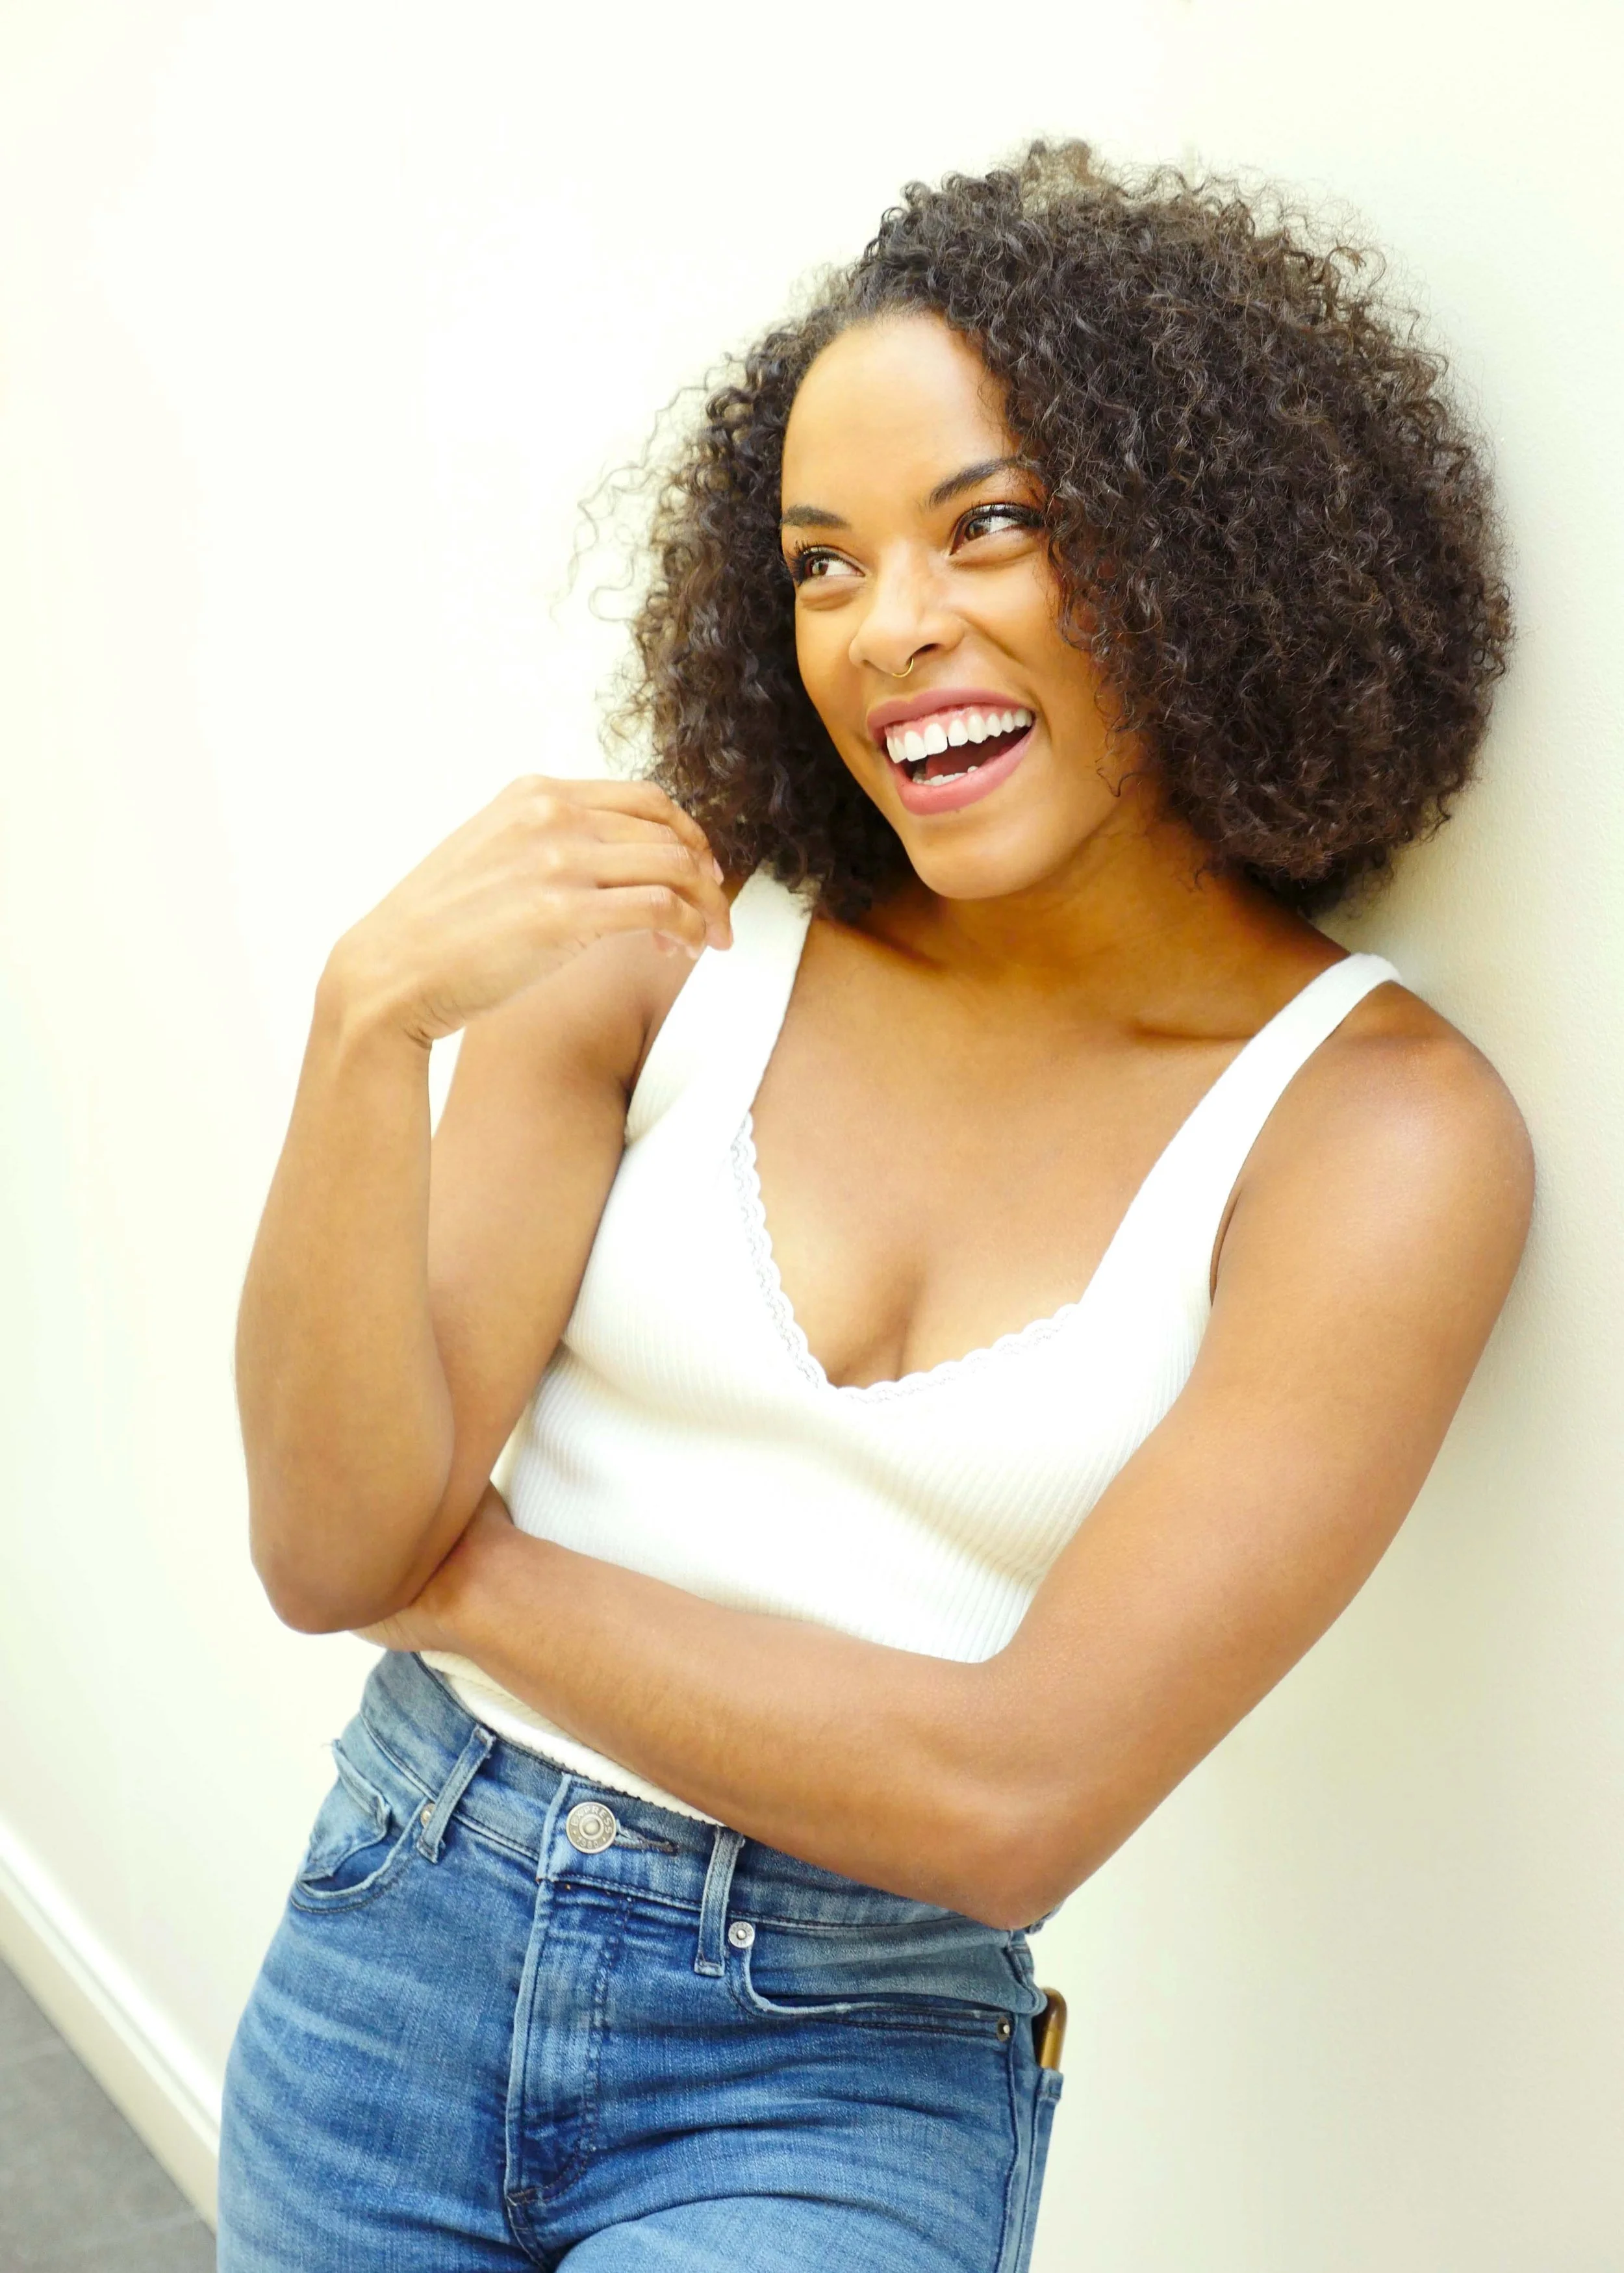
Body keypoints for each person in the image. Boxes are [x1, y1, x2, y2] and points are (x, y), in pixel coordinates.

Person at [216, 142, 1532, 2271]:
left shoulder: (1373, 1136)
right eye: (821, 566)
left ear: (1215, 550)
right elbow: (322, 1534)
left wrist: (458, 1577)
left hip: (838, 2059)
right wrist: (364, 1026)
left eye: (989, 523)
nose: (890, 627)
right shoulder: (674, 936)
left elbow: (1005, 1806)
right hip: (397, 1932)